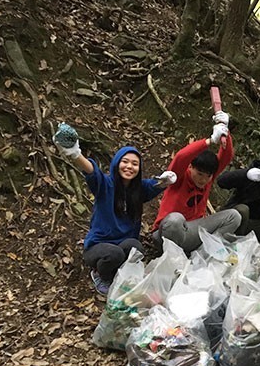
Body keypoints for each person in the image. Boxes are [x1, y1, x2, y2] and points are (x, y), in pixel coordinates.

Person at [53, 126, 177, 295]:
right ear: (116, 163)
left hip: (123, 243)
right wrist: (75, 153)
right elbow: (91, 171)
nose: (129, 167)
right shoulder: (105, 185)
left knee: (136, 248)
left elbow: (156, 184)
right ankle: (100, 274)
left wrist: (167, 180)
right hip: (98, 246)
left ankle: (120, 275)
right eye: (124, 162)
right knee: (114, 254)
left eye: (134, 164)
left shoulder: (139, 189)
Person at [151, 113, 240, 254]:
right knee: (175, 220)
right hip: (168, 232)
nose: (203, 180)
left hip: (193, 231)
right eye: (199, 174)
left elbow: (226, 156)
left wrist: (225, 131)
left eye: (207, 176)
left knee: (234, 216)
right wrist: (209, 141)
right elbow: (181, 157)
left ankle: (202, 255)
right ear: (191, 167)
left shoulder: (207, 180)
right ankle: (173, 258)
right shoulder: (178, 177)